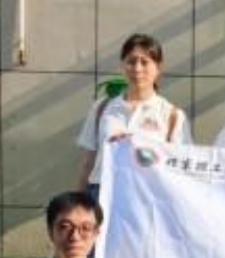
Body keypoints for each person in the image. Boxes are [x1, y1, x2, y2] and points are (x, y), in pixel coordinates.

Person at [76, 33, 192, 196]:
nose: (137, 69)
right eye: (131, 61)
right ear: (122, 66)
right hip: (102, 193)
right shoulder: (102, 108)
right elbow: (88, 161)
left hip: (147, 195)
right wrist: (78, 199)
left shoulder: (172, 116)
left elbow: (180, 168)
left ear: (158, 68)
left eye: (145, 62)